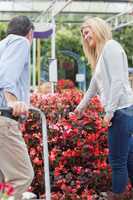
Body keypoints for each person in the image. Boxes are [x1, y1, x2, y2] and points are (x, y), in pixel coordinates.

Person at [71, 17, 133, 200]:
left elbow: (118, 82)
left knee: (117, 160)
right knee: (128, 156)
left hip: (121, 110)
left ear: (98, 28)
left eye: (87, 31)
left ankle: (118, 195)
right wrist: (79, 109)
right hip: (122, 110)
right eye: (83, 33)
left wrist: (109, 112)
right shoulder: (102, 54)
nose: (85, 35)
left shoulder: (111, 47)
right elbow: (93, 87)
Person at [0, 16, 34, 199]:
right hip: (4, 118)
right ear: (30, 33)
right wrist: (12, 100)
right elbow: (6, 75)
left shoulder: (2, 45)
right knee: (21, 176)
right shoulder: (21, 42)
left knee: (4, 181)